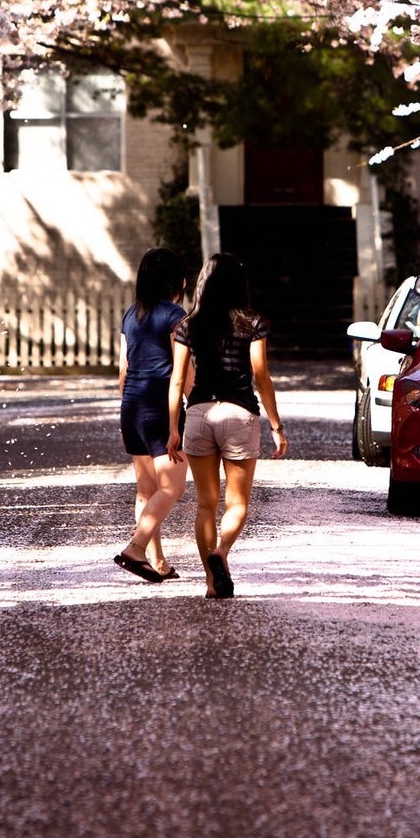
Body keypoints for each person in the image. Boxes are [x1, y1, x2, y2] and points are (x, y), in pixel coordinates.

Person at [168, 253, 287, 599]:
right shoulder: (254, 323)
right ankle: (221, 554)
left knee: (206, 504)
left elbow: (176, 381)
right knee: (237, 505)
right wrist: (276, 425)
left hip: (199, 414)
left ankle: (211, 582)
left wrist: (172, 429)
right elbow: (261, 375)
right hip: (238, 414)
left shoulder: (187, 325)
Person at [112, 248, 190, 583]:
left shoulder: (131, 315)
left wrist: (128, 412)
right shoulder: (176, 316)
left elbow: (122, 371)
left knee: (146, 489)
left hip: (132, 406)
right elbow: (184, 373)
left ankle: (156, 562)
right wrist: (198, 403)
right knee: (173, 486)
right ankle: (135, 547)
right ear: (176, 281)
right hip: (161, 406)